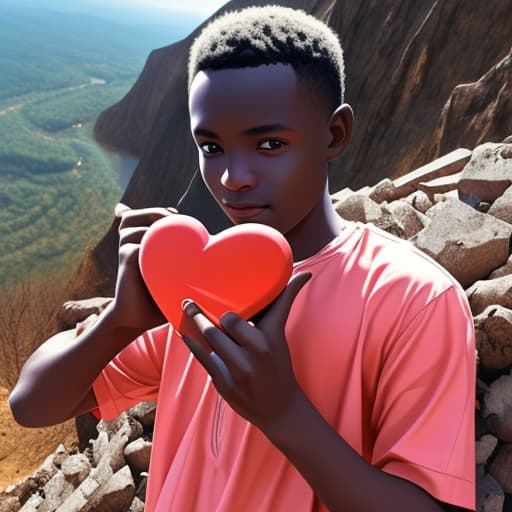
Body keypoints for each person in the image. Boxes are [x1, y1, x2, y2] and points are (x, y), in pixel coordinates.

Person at [9, 6, 475, 511]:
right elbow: (32, 404)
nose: (233, 177)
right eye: (211, 147)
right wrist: (119, 323)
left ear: (335, 134)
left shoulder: (412, 299)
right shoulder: (194, 282)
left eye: (270, 144)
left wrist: (284, 414)